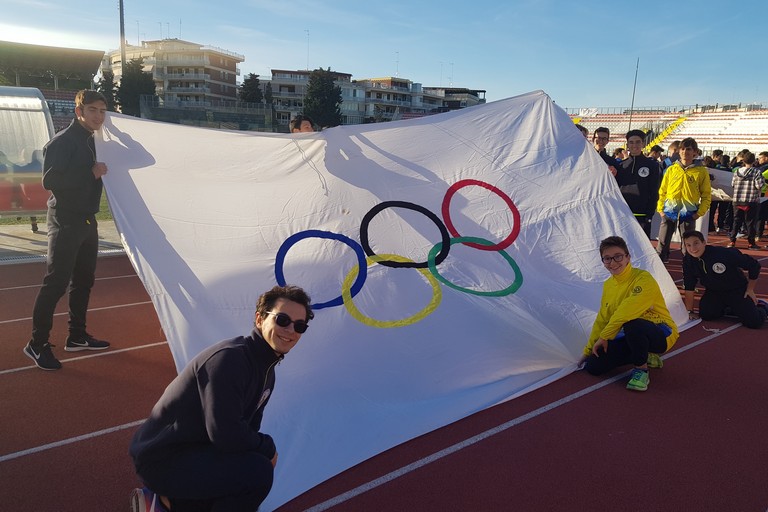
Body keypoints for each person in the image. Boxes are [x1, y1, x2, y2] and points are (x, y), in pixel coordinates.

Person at [129, 285, 314, 512]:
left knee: (251, 465)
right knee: (257, 472)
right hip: (163, 459)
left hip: (194, 450)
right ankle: (168, 499)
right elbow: (225, 434)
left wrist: (260, 449)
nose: (290, 330)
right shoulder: (230, 360)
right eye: (282, 320)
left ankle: (165, 503)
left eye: (300, 326)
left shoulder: (266, 370)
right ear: (259, 319)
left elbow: (248, 427)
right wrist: (268, 447)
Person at [23, 90, 110, 371]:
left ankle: (77, 336)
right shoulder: (63, 142)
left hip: (87, 220)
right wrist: (91, 173)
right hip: (65, 220)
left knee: (84, 280)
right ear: (79, 112)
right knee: (56, 283)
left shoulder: (93, 141)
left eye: (102, 111)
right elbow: (50, 181)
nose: (98, 116)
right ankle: (36, 345)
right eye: (93, 110)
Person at [580, 236, 679, 392]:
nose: (613, 263)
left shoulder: (643, 279)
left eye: (618, 256)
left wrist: (604, 337)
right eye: (607, 259)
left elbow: (625, 312)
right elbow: (603, 318)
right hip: (629, 333)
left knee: (633, 324)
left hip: (660, 332)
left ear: (628, 257)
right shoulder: (608, 285)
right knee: (594, 366)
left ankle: (641, 370)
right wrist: (588, 350)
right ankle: (645, 353)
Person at [682, 230, 767, 328]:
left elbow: (754, 265)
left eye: (696, 243)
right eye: (688, 245)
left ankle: (762, 306)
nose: (693, 248)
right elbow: (689, 285)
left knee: (754, 323)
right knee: (706, 315)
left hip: (736, 290)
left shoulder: (723, 253)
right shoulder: (688, 260)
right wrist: (690, 311)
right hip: (714, 291)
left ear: (704, 242)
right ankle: (730, 307)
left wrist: (750, 289)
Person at [655, 137, 711, 262]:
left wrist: (699, 213)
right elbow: (662, 191)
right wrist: (661, 209)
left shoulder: (701, 172)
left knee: (688, 245)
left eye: (689, 149)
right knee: (662, 243)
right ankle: (660, 266)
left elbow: (706, 195)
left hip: (689, 213)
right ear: (678, 151)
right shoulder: (671, 169)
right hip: (669, 211)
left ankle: (689, 267)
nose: (685, 152)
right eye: (682, 149)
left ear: (695, 152)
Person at [615, 129, 660, 238]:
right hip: (623, 213)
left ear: (643, 144)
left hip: (642, 214)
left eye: (637, 142)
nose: (634, 145)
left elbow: (654, 191)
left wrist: (650, 213)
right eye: (631, 142)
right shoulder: (620, 166)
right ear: (627, 145)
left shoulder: (652, 165)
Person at [728, 151, 764, 249]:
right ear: (753, 161)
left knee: (736, 221)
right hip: (751, 200)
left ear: (743, 160)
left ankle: (732, 241)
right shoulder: (756, 172)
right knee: (750, 222)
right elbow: (759, 185)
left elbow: (733, 185)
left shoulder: (737, 172)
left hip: (737, 200)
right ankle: (751, 243)